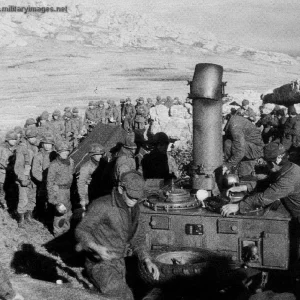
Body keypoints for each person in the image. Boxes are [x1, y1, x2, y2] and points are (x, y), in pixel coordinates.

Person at [75, 171, 159, 300]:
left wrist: (146, 259)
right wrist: (95, 247)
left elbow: (138, 238)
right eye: (131, 196)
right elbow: (81, 230)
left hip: (119, 263)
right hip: (100, 264)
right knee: (123, 296)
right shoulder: (102, 205)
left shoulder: (135, 209)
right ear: (121, 188)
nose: (134, 201)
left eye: (137, 198)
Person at [221, 142, 300, 221]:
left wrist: (238, 206)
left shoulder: (288, 180)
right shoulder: (288, 168)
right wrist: (243, 188)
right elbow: (266, 182)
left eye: (266, 162)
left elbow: (263, 198)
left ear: (272, 163)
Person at [47, 141, 75, 237]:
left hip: (67, 191)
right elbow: (49, 182)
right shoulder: (54, 165)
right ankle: (58, 234)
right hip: (58, 191)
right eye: (62, 151)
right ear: (58, 152)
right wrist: (52, 198)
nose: (65, 153)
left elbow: (72, 175)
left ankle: (66, 232)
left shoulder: (71, 162)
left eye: (66, 151)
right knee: (60, 213)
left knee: (69, 213)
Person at [14, 128, 39, 228]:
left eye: (34, 137)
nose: (33, 139)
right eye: (31, 137)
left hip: (33, 178)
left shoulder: (35, 148)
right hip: (24, 177)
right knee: (23, 199)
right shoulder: (22, 148)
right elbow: (18, 166)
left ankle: (29, 217)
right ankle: (21, 220)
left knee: (32, 198)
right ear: (27, 138)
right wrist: (22, 178)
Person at [32, 134, 56, 221]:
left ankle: (50, 218)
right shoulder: (38, 156)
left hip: (54, 182)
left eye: (49, 144)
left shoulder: (56, 156)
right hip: (43, 182)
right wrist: (43, 180)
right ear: (42, 144)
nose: (47, 146)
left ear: (52, 145)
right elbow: (35, 171)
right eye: (45, 143)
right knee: (41, 199)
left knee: (52, 200)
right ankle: (40, 217)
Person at [77, 143, 106, 210]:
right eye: (98, 154)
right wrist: (82, 199)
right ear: (92, 155)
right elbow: (81, 183)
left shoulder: (104, 164)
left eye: (101, 154)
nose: (100, 156)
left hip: (102, 193)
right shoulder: (86, 167)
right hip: (90, 193)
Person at [0, 131, 18, 210]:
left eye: (15, 139)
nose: (14, 141)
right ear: (7, 140)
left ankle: (10, 206)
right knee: (2, 189)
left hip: (12, 173)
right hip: (3, 172)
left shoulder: (15, 148)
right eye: (12, 139)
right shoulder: (2, 148)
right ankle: (3, 204)